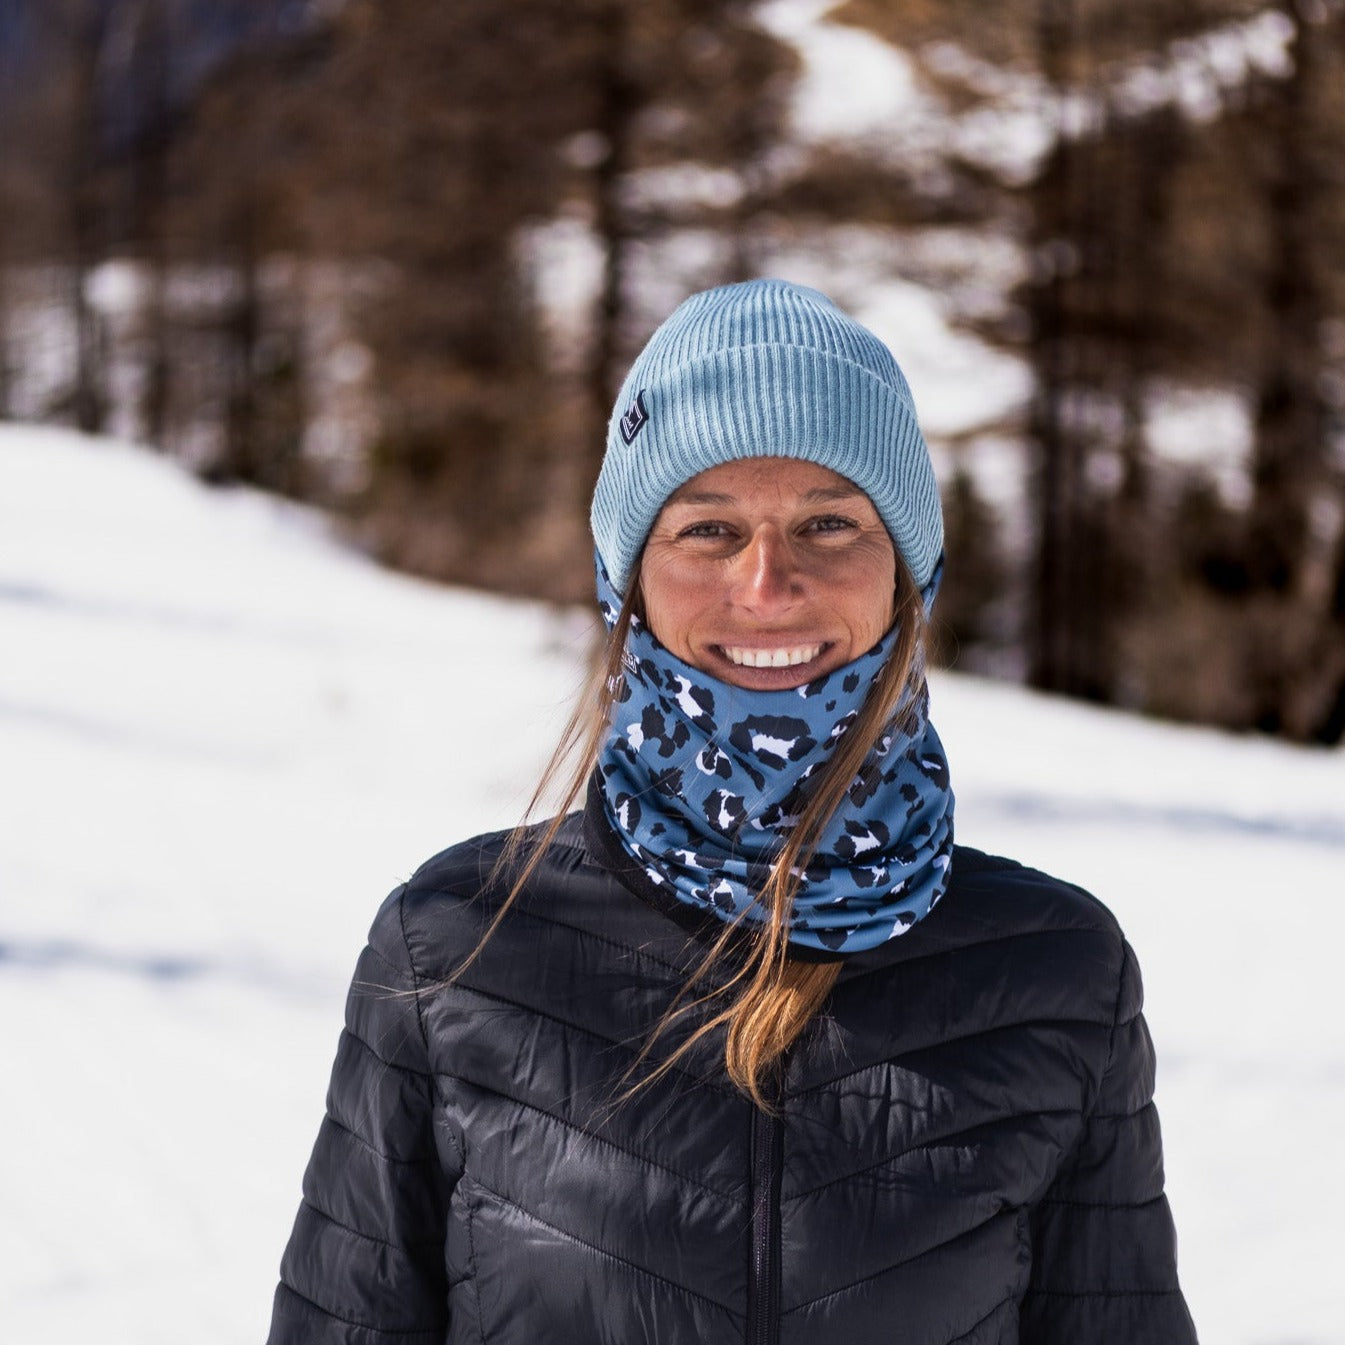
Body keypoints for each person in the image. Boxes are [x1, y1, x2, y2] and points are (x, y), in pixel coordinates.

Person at [267, 279, 1196, 1344]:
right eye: (707, 528)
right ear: (627, 585)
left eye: (828, 522)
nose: (765, 583)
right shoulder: (454, 947)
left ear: (907, 576)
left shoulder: (1056, 972)